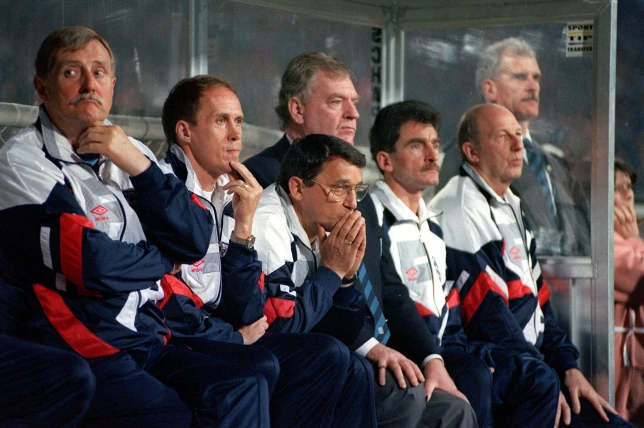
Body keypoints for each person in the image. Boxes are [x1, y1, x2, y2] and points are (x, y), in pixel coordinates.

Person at [0, 26, 272, 426]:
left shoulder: (132, 151)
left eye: (99, 72)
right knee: (172, 416)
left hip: (145, 331)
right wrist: (164, 261)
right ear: (42, 88)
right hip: (79, 334)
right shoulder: (22, 158)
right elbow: (93, 262)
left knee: (243, 385)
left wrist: (138, 163)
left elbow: (194, 238)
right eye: (72, 72)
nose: (89, 83)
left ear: (112, 84)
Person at [159, 74, 377, 427]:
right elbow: (276, 322)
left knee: (356, 368)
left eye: (239, 121)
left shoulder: (234, 196)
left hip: (226, 332)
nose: (235, 134)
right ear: (185, 131)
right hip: (181, 339)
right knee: (323, 356)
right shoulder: (166, 191)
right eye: (221, 120)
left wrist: (347, 279)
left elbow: (247, 307)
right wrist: (332, 272)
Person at [430, 103, 633, 428]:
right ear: (472, 152)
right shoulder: (458, 208)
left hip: (533, 367)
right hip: (505, 374)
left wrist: (568, 368)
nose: (518, 144)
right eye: (502, 136)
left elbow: (539, 306)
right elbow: (490, 319)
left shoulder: (511, 203)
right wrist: (548, 378)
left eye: (519, 134)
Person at [253, 133, 474, 428]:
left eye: (357, 190)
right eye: (340, 189)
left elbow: (339, 315)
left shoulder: (324, 219)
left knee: (455, 411)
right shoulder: (267, 224)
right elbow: (284, 327)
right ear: (297, 187)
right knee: (390, 387)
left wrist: (346, 280)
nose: (352, 205)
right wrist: (332, 271)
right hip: (272, 355)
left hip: (327, 351)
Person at [363, 99, 489, 427]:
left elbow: (448, 306)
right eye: (417, 146)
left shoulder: (433, 225)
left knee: (482, 369)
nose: (433, 155)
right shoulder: (371, 215)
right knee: (472, 377)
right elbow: (385, 302)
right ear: (385, 160)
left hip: (436, 350)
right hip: (397, 354)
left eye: (435, 144)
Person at [437, 37, 590, 256]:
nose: (533, 86)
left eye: (536, 77)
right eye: (520, 77)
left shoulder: (550, 161)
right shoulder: (464, 154)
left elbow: (578, 232)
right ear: (490, 89)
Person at [244, 52, 360, 187]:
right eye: (336, 102)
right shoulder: (259, 179)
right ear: (297, 110)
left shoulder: (358, 188)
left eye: (354, 103)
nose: (354, 113)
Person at [612, 159, 644, 425]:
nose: (629, 194)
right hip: (615, 376)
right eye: (618, 188)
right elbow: (640, 277)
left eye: (629, 186)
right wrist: (635, 239)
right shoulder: (605, 243)